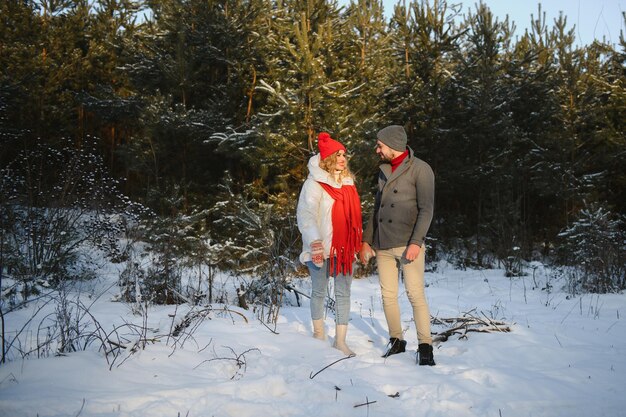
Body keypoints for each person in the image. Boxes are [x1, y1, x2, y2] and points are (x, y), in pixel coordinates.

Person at [359, 125, 436, 366]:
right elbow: (377, 209)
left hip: (408, 244)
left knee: (415, 295)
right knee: (388, 295)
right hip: (383, 243)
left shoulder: (421, 169)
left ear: (392, 145)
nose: (377, 149)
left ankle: (425, 346)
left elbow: (427, 210)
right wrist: (366, 241)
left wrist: (416, 242)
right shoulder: (383, 170)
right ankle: (397, 340)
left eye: (380, 145)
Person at [297, 132, 363, 356]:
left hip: (343, 249)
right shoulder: (313, 184)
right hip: (320, 247)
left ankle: (341, 341)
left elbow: (353, 218)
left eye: (344, 154)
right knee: (319, 291)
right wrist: (315, 242)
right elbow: (306, 215)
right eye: (338, 154)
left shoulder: (348, 184)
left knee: (344, 292)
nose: (343, 158)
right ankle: (318, 334)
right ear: (327, 158)